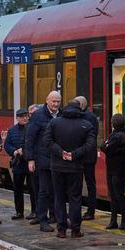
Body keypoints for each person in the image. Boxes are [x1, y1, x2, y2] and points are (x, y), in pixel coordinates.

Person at [45, 100, 95, 238]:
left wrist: (61, 152)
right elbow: (90, 145)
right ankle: (75, 229)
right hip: (76, 167)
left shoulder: (54, 123)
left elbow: (47, 141)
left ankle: (61, 229)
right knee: (75, 198)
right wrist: (74, 154)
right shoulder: (86, 125)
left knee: (59, 198)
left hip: (57, 166)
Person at [25, 91, 62, 232]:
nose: (56, 104)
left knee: (57, 191)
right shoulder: (38, 116)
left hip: (57, 159)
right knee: (44, 191)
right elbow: (30, 138)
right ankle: (42, 220)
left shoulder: (61, 114)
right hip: (42, 158)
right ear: (47, 100)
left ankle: (57, 216)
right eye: (53, 101)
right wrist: (30, 159)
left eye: (58, 101)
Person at [101, 113, 125, 230]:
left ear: (114, 123)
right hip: (116, 169)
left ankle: (120, 221)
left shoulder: (117, 136)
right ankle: (116, 221)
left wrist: (106, 144)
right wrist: (106, 145)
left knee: (117, 195)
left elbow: (105, 147)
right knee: (115, 195)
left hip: (117, 170)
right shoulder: (118, 134)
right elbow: (105, 146)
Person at [74, 96, 99, 220]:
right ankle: (88, 210)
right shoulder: (91, 117)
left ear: (82, 105)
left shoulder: (88, 117)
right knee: (87, 184)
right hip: (87, 156)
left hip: (86, 156)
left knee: (87, 184)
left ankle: (90, 211)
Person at [4, 108, 30, 220]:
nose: (25, 118)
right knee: (17, 189)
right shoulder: (12, 130)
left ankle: (35, 212)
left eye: (26, 116)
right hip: (18, 163)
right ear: (17, 118)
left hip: (30, 162)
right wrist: (15, 151)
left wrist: (25, 150)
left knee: (33, 189)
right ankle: (19, 212)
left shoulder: (32, 129)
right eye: (22, 116)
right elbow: (7, 145)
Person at [25, 104, 40, 220]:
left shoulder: (35, 125)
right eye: (30, 114)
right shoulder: (28, 126)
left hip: (40, 160)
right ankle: (35, 211)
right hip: (33, 161)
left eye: (33, 114)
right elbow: (27, 142)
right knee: (33, 188)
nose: (31, 116)